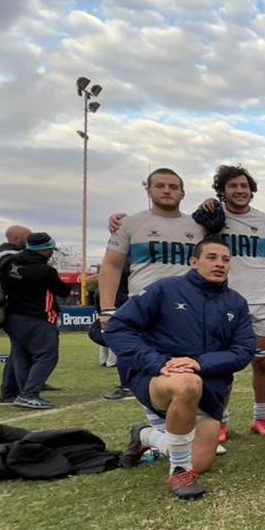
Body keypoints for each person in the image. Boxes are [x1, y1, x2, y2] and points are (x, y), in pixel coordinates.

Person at [108, 238, 256, 501]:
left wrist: (200, 363)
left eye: (225, 259)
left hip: (208, 392)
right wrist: (158, 363)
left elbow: (244, 351)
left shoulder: (236, 303)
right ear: (194, 262)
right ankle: (179, 470)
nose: (220, 264)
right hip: (163, 379)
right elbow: (119, 328)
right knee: (187, 383)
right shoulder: (165, 289)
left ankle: (146, 436)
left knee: (202, 463)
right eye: (212, 257)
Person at [189, 165, 265, 440]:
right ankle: (220, 420)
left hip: (263, 299)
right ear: (222, 190)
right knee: (221, 365)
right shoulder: (212, 217)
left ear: (251, 190)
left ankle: (261, 418)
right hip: (224, 299)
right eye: (233, 186)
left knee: (263, 363)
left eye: (244, 186)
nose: (240, 190)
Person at [98, 168, 208, 402]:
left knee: (188, 368)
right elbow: (112, 265)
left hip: (188, 308)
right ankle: (157, 420)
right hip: (144, 307)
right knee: (149, 369)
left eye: (173, 187)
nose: (167, 190)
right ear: (148, 190)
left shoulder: (198, 226)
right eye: (160, 186)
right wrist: (107, 308)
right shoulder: (130, 223)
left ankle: (184, 419)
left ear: (183, 193)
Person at [0, 233, 71, 409]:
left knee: (21, 355)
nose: (51, 253)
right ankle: (29, 394)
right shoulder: (45, 271)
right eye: (51, 250)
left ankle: (21, 393)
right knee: (47, 355)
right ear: (45, 251)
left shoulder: (11, 264)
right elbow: (63, 291)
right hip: (37, 317)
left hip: (12, 316)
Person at [0, 223, 31, 405]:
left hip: (15, 306)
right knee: (19, 350)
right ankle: (10, 391)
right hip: (13, 306)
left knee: (23, 349)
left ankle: (25, 385)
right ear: (16, 238)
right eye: (27, 236)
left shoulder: (9, 254)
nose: (30, 240)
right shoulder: (7, 256)